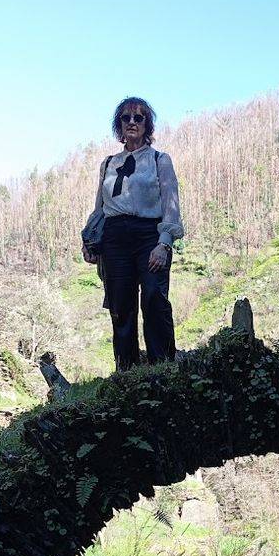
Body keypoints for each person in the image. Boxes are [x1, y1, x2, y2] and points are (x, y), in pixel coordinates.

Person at [83, 97, 184, 370]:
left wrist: (164, 243)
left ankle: (162, 368)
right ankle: (126, 372)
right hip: (114, 239)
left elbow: (171, 205)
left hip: (149, 235)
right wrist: (91, 241)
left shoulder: (159, 160)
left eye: (138, 118)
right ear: (119, 124)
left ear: (146, 124)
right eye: (126, 118)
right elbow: (100, 207)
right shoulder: (108, 164)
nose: (131, 122)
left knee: (154, 298)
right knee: (121, 305)